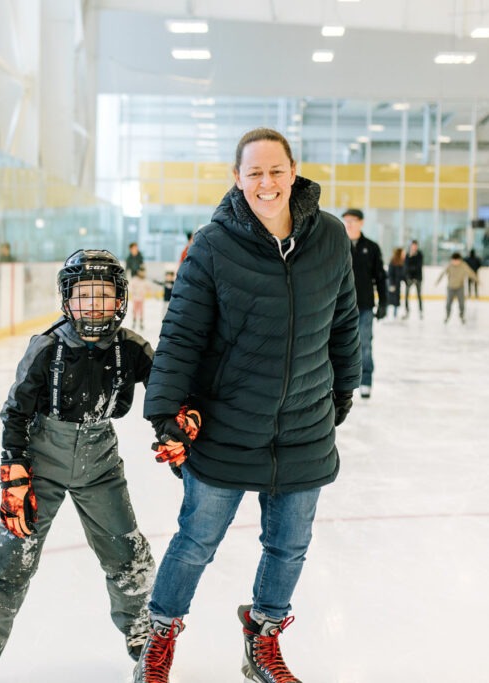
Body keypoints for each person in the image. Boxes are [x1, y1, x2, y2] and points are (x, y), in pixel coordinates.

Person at [134, 127, 361, 683]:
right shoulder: (213, 244)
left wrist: (342, 391)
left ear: (293, 172)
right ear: (238, 179)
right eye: (254, 172)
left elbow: (344, 323)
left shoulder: (330, 237)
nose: (266, 182)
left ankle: (263, 638)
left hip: (305, 424)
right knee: (196, 542)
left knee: (289, 547)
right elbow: (182, 334)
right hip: (227, 423)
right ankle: (159, 635)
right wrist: (166, 412)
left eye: (275, 170)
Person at [0, 250, 157, 682]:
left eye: (103, 295)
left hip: (100, 463)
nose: (94, 305)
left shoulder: (132, 348)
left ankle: (144, 637)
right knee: (11, 558)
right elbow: (16, 413)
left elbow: (166, 395)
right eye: (84, 295)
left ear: (120, 299)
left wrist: (177, 429)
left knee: (127, 553)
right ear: (67, 300)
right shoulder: (47, 348)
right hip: (43, 460)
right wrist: (15, 476)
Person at [341, 208, 388, 399]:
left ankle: (366, 381)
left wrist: (384, 302)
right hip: (340, 307)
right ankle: (341, 383)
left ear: (361, 222)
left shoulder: (372, 248)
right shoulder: (338, 245)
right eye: (346, 220)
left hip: (365, 306)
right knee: (339, 344)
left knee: (365, 344)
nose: (349, 224)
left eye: (352, 220)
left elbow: (380, 277)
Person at [435, 252, 478, 324]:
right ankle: (447, 316)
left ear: (459, 260)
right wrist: (437, 281)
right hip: (450, 287)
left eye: (456, 260)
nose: (454, 262)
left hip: (460, 288)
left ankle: (462, 316)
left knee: (462, 304)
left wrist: (477, 280)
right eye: (453, 260)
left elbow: (471, 273)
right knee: (448, 303)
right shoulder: (450, 265)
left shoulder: (463, 266)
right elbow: (442, 273)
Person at [403, 239, 424, 319]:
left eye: (415, 246)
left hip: (418, 278)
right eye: (413, 245)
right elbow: (406, 266)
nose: (414, 247)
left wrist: (413, 257)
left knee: (419, 295)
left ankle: (420, 311)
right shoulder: (408, 254)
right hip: (409, 278)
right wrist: (408, 277)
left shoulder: (419, 254)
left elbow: (418, 266)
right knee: (406, 295)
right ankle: (407, 311)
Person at [386, 247, 405, 320]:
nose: (404, 254)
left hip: (398, 285)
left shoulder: (401, 262)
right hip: (392, 284)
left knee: (396, 300)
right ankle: (386, 314)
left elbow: (402, 274)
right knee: (389, 300)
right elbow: (390, 274)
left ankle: (395, 315)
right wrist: (391, 284)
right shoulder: (392, 262)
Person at [129, 264, 149, 329]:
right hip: (135, 299)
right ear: (138, 272)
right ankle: (134, 322)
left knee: (141, 311)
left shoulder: (145, 281)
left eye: (143, 272)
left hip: (141, 299)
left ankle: (141, 323)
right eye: (141, 271)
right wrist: (134, 292)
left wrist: (145, 292)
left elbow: (148, 288)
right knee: (134, 311)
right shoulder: (134, 279)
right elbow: (130, 287)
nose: (142, 273)